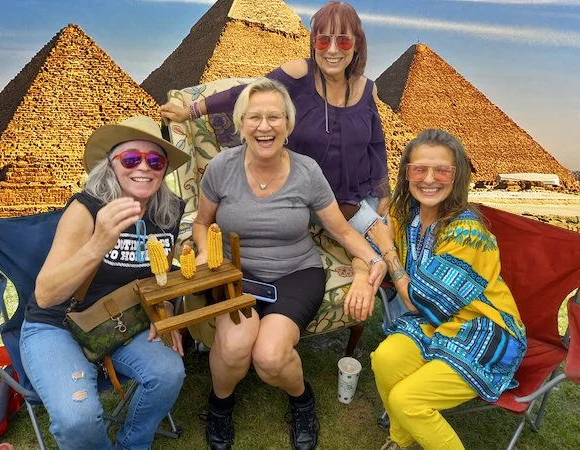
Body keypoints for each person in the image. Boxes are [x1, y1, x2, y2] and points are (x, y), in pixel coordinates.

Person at [193, 78, 385, 450]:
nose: (264, 127)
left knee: (270, 356)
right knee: (234, 346)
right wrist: (204, 253)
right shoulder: (221, 167)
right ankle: (219, 406)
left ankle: (302, 400)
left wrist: (372, 260)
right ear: (241, 123)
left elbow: (342, 230)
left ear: (288, 124)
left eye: (274, 117)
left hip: (296, 272)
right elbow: (202, 223)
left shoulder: (307, 171)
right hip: (236, 273)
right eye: (254, 117)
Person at [20, 116, 190, 450]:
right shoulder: (86, 209)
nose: (144, 167)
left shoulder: (167, 213)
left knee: (169, 374)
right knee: (78, 419)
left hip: (121, 321)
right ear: (111, 164)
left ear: (164, 170)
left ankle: (132, 444)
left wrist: (165, 306)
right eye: (131, 158)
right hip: (56, 325)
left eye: (155, 161)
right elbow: (46, 294)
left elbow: (158, 276)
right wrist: (99, 242)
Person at [160, 0, 390, 227]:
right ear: (313, 44)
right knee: (377, 239)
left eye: (343, 40)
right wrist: (189, 111)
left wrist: (384, 193)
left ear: (357, 44)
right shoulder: (300, 73)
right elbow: (248, 93)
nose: (332, 49)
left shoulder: (367, 89)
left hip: (361, 194)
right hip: (309, 197)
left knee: (391, 238)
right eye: (323, 40)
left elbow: (376, 144)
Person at [367, 129, 527, 450]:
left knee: (407, 400)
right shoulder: (405, 213)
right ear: (406, 173)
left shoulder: (467, 233)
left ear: (457, 176)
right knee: (384, 358)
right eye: (419, 169)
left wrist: (387, 251)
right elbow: (371, 239)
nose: (429, 179)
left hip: (484, 332)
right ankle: (401, 439)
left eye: (442, 170)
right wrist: (366, 269)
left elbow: (416, 302)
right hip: (435, 323)